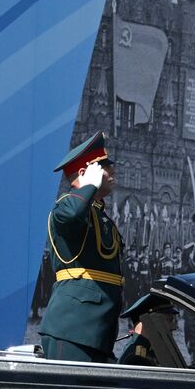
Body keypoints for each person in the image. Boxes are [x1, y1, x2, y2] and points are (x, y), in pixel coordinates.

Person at [39, 132, 123, 362]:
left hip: (98, 330)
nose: (112, 170)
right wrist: (88, 187)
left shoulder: (100, 216)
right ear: (86, 174)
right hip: (73, 329)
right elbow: (72, 215)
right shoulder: (66, 206)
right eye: (104, 167)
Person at [117, 293, 180, 366]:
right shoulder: (137, 359)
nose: (174, 327)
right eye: (169, 320)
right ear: (148, 322)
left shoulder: (152, 352)